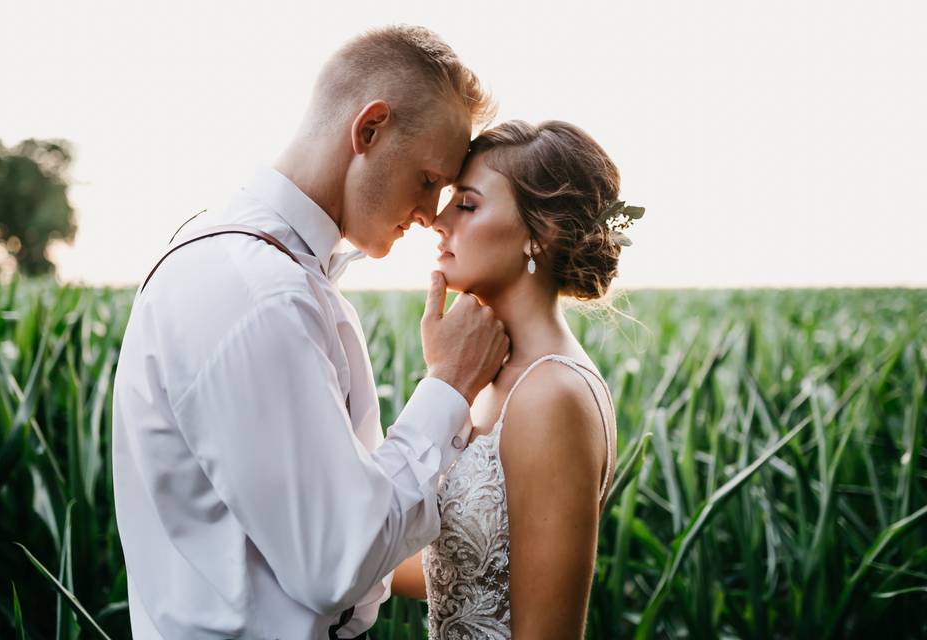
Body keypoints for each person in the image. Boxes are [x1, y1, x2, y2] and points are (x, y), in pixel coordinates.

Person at [112, 25, 508, 639]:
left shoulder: (277, 274)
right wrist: (449, 385)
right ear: (369, 129)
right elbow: (335, 560)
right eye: (429, 180)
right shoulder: (253, 291)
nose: (431, 214)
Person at [391, 120, 644, 639]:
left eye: (466, 204)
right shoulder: (493, 378)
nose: (437, 221)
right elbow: (460, 570)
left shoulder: (551, 394)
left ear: (540, 234)